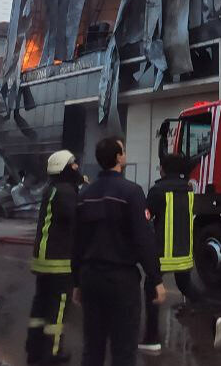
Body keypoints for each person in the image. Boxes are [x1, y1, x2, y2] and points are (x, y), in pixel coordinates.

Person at [72, 137, 164, 366]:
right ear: (118, 157)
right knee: (123, 349)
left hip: (90, 278)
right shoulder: (131, 192)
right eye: (123, 150)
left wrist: (77, 282)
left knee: (92, 348)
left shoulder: (85, 195)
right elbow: (143, 239)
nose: (125, 153)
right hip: (121, 281)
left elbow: (77, 242)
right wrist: (155, 278)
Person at [139, 153, 221, 355]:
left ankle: (151, 338)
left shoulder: (157, 191)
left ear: (164, 169)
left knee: (151, 289)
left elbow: (145, 218)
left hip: (162, 254)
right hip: (184, 253)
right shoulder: (188, 189)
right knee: (187, 286)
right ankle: (214, 316)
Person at [26, 150, 83, 366]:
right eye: (73, 164)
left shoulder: (52, 189)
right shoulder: (67, 192)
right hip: (59, 261)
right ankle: (53, 352)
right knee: (57, 309)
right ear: (65, 168)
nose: (77, 167)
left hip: (43, 260)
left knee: (40, 306)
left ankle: (34, 347)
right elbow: (76, 219)